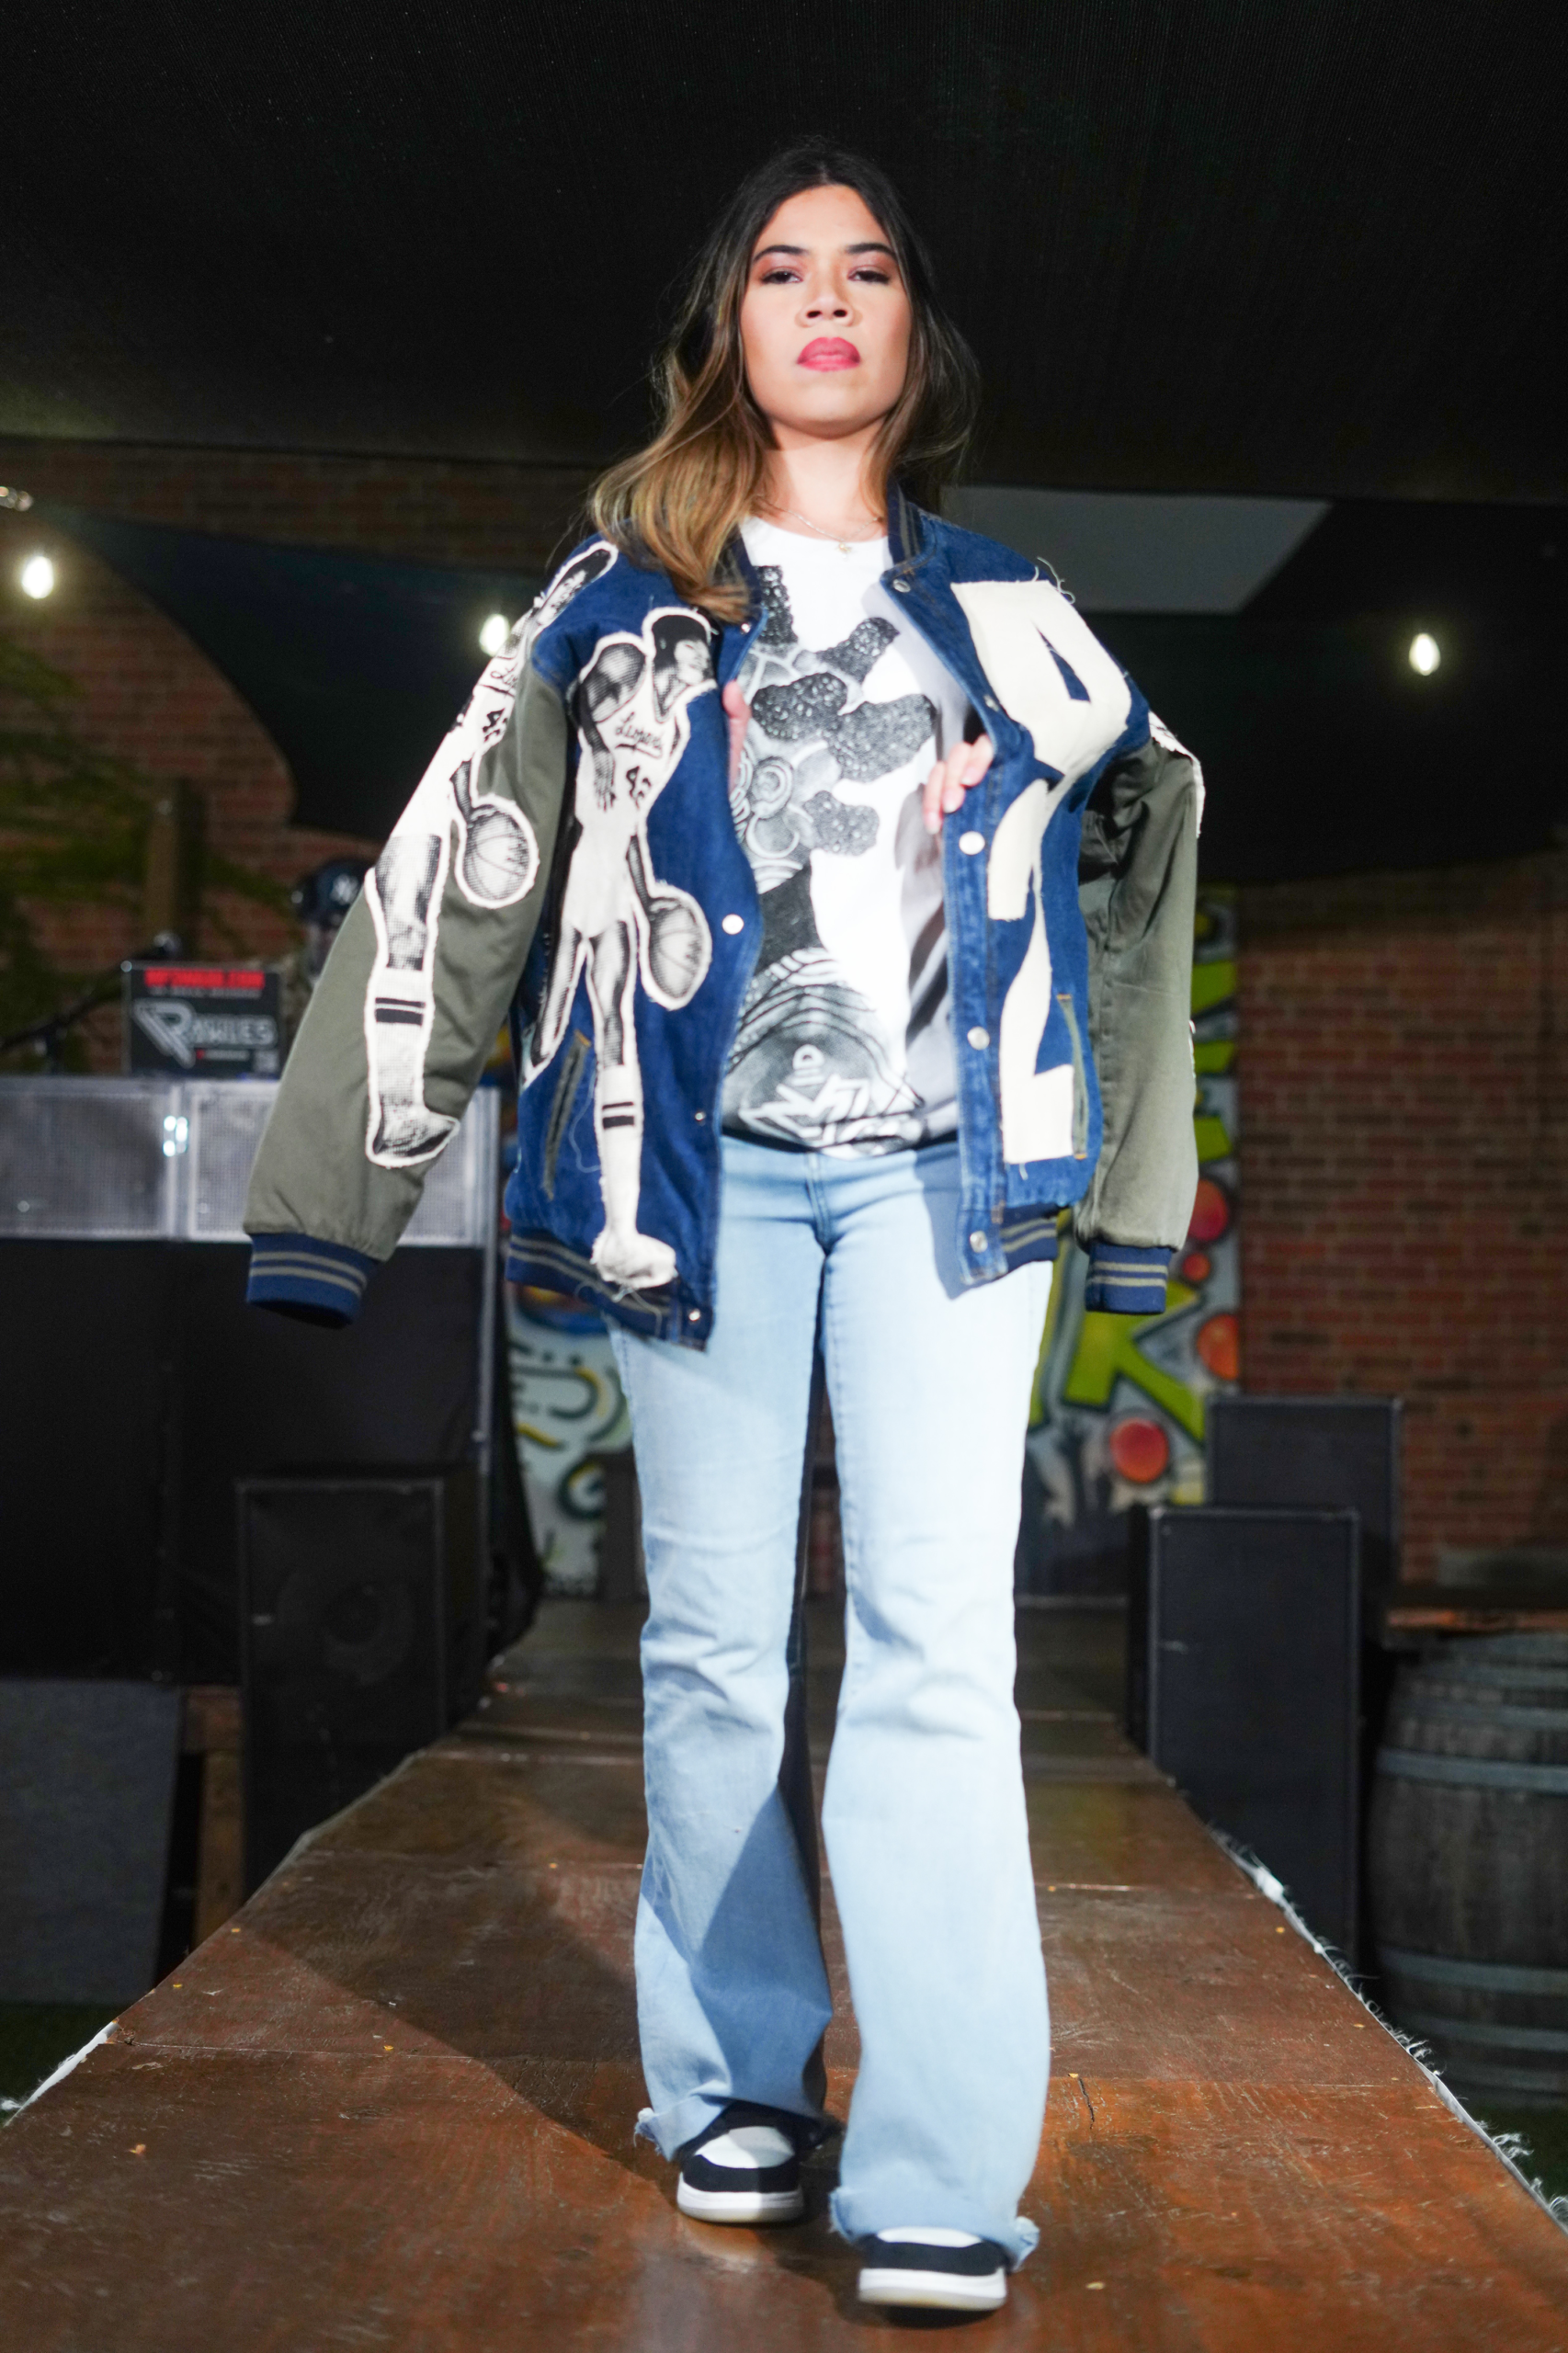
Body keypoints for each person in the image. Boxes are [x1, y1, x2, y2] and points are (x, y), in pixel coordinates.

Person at [244, 137, 1200, 2314]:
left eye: (866, 268)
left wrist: (1129, 1192)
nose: (827, 298)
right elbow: (463, 863)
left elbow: (1146, 863)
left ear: (914, 330)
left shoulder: (1015, 615)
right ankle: (737, 2077)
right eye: (784, 269)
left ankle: (941, 2168)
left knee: (938, 1649)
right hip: (697, 1181)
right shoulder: (616, 603)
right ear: (731, 326)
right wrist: (332, 1204)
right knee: (709, 1644)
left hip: (952, 1185)